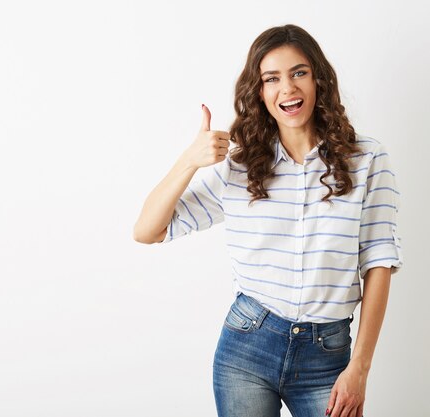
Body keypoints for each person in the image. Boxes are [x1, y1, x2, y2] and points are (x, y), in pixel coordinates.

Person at [133, 23, 403, 417]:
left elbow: (378, 261)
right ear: (259, 93)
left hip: (327, 356)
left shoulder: (367, 159)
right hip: (247, 346)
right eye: (271, 78)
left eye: (299, 73)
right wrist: (189, 160)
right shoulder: (241, 167)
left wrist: (359, 368)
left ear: (318, 80)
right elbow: (147, 230)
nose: (288, 89)